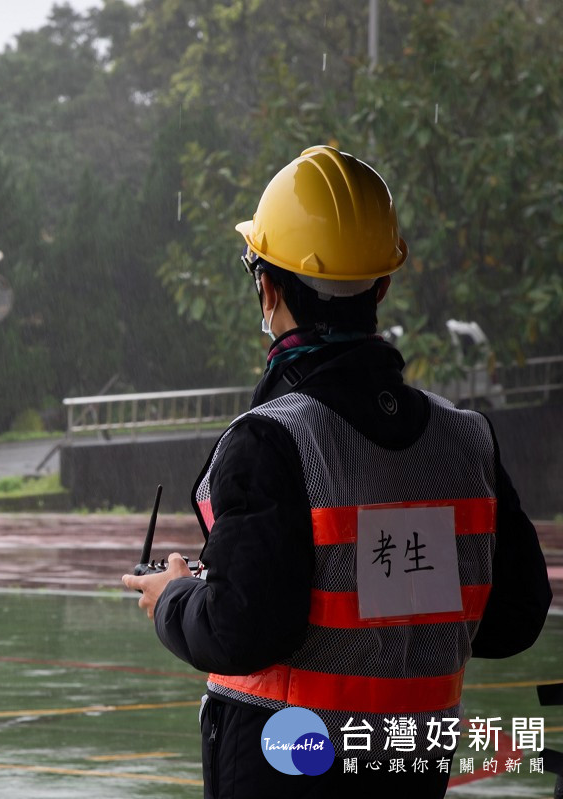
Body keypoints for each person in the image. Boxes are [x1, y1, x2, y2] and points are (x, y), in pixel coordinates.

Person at [121, 145, 552, 798]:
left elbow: (244, 630)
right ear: (381, 285)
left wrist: (174, 599)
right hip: (408, 766)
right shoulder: (468, 440)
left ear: (267, 287)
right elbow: (515, 614)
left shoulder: (270, 441)